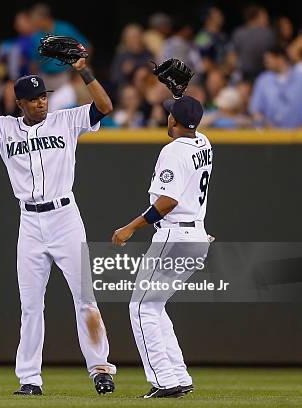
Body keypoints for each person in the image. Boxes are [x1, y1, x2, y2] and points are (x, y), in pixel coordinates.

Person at [0, 60, 117, 395]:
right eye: (35, 98)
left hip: (65, 218)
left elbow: (105, 106)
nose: (42, 101)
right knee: (30, 305)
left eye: (44, 96)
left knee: (85, 297)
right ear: (21, 103)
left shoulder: (65, 120)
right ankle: (30, 379)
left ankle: (100, 369)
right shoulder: (4, 128)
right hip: (29, 221)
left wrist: (85, 70)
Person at [112, 95, 212, 398]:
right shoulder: (204, 142)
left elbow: (167, 202)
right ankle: (178, 376)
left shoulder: (173, 151)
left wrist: (130, 226)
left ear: (174, 121)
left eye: (170, 114)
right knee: (153, 306)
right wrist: (179, 93)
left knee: (141, 307)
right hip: (196, 237)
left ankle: (164, 383)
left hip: (175, 237)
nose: (167, 117)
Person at [249, 46, 302, 128]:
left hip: (301, 136)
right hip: (270, 136)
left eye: (268, 60)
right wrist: (267, 126)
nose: (265, 63)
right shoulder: (263, 80)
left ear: (280, 58)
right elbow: (255, 110)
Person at [229, 5, 276, 80]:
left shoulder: (238, 33)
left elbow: (231, 58)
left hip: (243, 77)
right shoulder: (268, 34)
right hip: (263, 77)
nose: (267, 20)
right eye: (265, 17)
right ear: (256, 18)